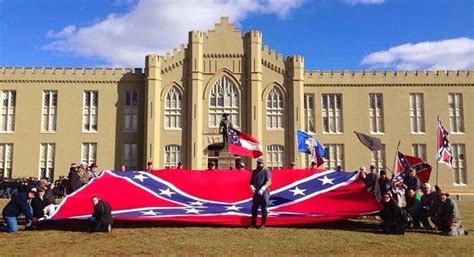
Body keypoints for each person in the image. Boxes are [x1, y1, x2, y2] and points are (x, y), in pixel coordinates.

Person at [248, 158, 271, 229]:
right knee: (254, 207)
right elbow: (251, 182)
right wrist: (251, 186)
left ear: (263, 164)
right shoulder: (254, 172)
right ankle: (253, 224)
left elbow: (269, 181)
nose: (260, 165)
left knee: (264, 207)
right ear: (257, 164)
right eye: (259, 164)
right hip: (256, 192)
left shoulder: (266, 171)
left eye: (261, 164)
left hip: (264, 192)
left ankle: (263, 224)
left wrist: (263, 188)